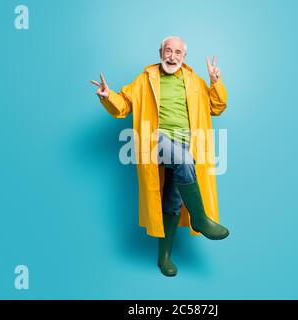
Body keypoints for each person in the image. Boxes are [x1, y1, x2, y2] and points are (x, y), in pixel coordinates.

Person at [91, 36, 229, 277]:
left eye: (177, 52)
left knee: (173, 201)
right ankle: (200, 219)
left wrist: (215, 82)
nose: (172, 56)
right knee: (186, 163)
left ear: (184, 57)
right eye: (168, 51)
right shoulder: (146, 79)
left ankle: (164, 258)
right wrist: (107, 95)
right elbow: (123, 103)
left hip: (188, 143)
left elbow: (216, 107)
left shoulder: (195, 81)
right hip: (156, 141)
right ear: (160, 52)